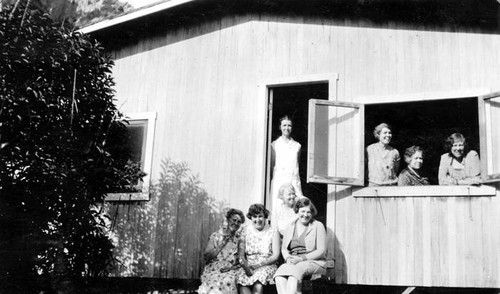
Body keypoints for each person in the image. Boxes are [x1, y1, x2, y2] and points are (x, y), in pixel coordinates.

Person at [273, 198, 326, 294]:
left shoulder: (318, 225)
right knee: (279, 276)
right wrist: (288, 258)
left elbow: (321, 250)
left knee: (293, 275)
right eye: (303, 211)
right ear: (297, 210)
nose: (305, 215)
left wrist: (301, 259)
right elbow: (284, 248)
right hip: (293, 261)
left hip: (313, 261)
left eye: (309, 212)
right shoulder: (290, 226)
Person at [198, 208, 245, 294]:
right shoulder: (216, 236)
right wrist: (222, 244)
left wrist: (231, 268)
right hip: (213, 269)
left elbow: (241, 261)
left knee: (227, 282)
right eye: (234, 220)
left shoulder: (239, 240)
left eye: (239, 222)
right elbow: (206, 257)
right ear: (227, 219)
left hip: (230, 270)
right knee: (213, 284)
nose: (236, 223)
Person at [237, 204, 280, 294]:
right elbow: (241, 255)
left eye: (260, 216)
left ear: (265, 217)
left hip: (267, 265)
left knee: (258, 282)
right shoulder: (245, 231)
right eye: (254, 217)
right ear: (250, 217)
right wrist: (246, 267)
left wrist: (258, 265)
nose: (257, 220)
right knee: (242, 282)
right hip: (248, 265)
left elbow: (275, 256)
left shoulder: (273, 231)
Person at [270, 115, 304, 213]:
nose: (287, 128)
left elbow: (297, 163)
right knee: (278, 208)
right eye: (284, 125)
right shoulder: (275, 144)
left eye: (289, 125)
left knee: (294, 208)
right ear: (280, 127)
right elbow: (272, 165)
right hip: (279, 180)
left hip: (293, 180)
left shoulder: (297, 146)